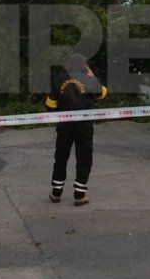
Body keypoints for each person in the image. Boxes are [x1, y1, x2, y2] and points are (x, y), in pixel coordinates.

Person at [46, 53, 107, 206]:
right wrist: (92, 76)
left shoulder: (58, 79)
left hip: (64, 125)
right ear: (84, 66)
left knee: (61, 157)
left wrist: (60, 112)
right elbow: (102, 93)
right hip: (84, 125)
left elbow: (50, 104)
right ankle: (79, 195)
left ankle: (56, 193)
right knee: (84, 158)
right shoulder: (88, 79)